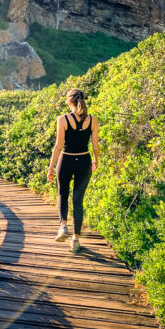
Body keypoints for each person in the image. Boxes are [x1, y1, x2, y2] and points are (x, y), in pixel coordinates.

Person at [47, 88, 100, 252]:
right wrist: (96, 160)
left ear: (69, 101)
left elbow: (58, 146)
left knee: (63, 193)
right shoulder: (92, 120)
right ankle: (76, 239)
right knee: (78, 200)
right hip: (84, 161)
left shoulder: (62, 119)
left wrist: (51, 168)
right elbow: (96, 146)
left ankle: (63, 226)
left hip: (67, 159)